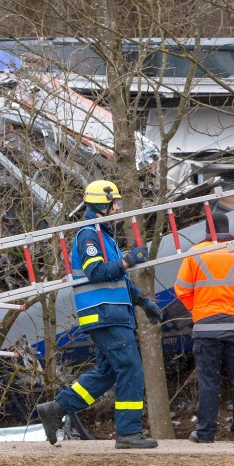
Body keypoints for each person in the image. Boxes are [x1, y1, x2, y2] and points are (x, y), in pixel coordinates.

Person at [36, 180, 163, 449]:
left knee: (108, 372)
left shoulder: (104, 235)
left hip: (112, 314)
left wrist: (142, 302)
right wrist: (129, 260)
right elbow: (97, 273)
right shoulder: (88, 235)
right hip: (105, 314)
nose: (117, 207)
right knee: (130, 368)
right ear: (101, 204)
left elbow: (119, 280)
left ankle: (57, 408)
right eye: (113, 202)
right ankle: (129, 433)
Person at [174, 211, 234, 444]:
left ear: (207, 230)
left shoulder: (195, 254)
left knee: (208, 382)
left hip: (206, 329)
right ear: (228, 227)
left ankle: (206, 433)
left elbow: (182, 290)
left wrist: (199, 311)